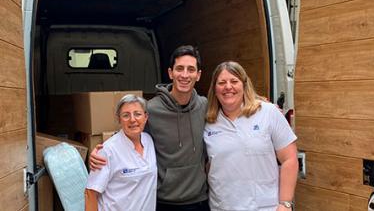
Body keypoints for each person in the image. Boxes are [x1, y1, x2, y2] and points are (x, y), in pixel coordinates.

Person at [89, 45, 210, 211]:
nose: (184, 75)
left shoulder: (204, 106)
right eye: (179, 68)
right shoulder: (152, 109)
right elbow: (130, 130)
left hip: (199, 200)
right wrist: (101, 154)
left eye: (191, 69)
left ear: (198, 75)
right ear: (170, 73)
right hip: (163, 201)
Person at [204, 61, 298, 211]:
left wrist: (285, 204)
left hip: (265, 207)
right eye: (222, 82)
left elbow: (289, 159)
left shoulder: (268, 113)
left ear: (244, 85)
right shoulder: (208, 121)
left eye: (234, 81)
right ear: (215, 89)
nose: (228, 87)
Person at [85, 94, 157, 211]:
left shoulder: (149, 141)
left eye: (137, 114)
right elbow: (90, 193)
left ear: (145, 117)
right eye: (126, 115)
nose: (132, 119)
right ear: (119, 119)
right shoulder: (107, 151)